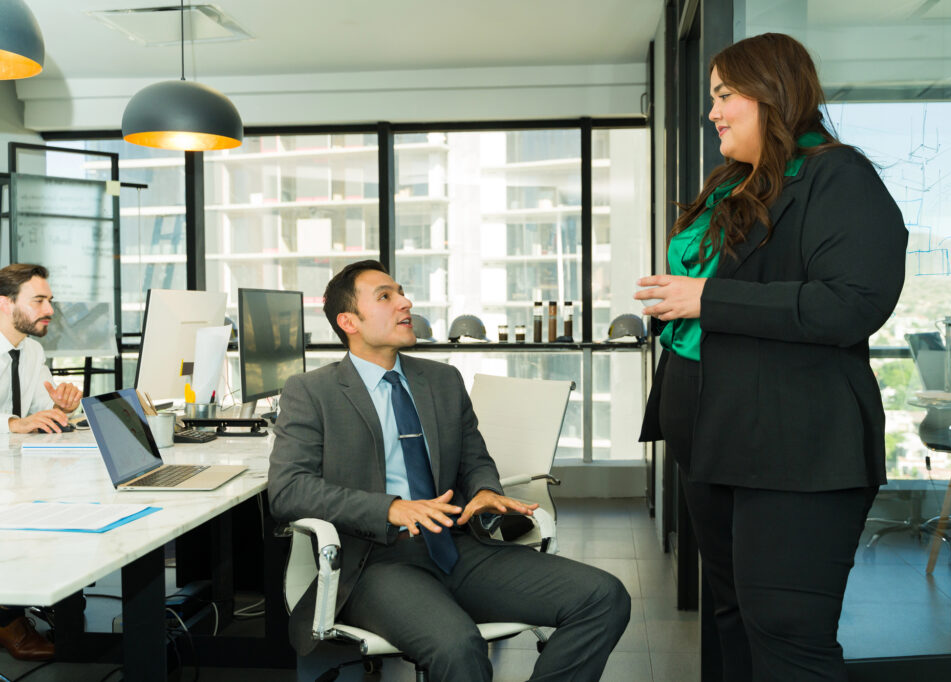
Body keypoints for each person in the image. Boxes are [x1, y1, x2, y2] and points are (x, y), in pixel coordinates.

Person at [636, 33, 907, 681]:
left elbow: (850, 304)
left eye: (724, 95)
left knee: (787, 635)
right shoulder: (738, 185)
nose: (712, 112)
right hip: (713, 437)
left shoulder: (839, 176)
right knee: (731, 617)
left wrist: (708, 299)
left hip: (796, 450)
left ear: (773, 92)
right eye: (711, 98)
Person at [269, 260, 630, 681]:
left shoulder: (442, 380)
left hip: (457, 548)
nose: (405, 302)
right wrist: (391, 508)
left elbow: (474, 459)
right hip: (375, 563)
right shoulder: (312, 392)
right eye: (385, 296)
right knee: (459, 648)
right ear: (348, 321)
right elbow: (288, 491)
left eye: (401, 292)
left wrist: (484, 489)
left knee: (605, 597)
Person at [0, 263, 84, 661]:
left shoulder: (31, 351)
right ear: (5, 304)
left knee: (71, 497)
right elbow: (19, 423)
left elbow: (37, 413)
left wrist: (58, 405)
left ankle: (58, 599)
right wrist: (16, 424)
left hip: (13, 470)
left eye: (49, 299)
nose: (49, 308)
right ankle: (6, 617)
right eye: (39, 300)